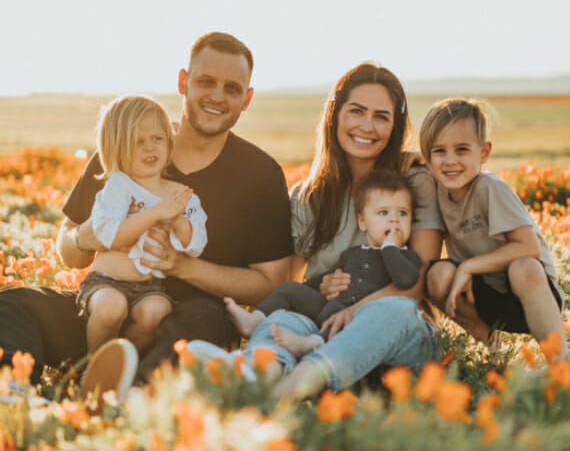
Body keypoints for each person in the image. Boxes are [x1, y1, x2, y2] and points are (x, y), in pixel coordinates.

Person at [0, 32, 293, 390]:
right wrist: (84, 236)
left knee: (205, 319)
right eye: (206, 82)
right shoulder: (128, 146)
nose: (217, 96)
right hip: (104, 311)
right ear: (183, 82)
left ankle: (131, 394)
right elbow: (68, 249)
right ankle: (12, 395)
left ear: (246, 99)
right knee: (14, 303)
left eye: (232, 88)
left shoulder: (260, 174)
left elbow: (272, 284)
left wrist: (185, 266)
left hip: (182, 325)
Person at [185, 62, 444, 400]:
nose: (367, 126)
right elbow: (286, 281)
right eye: (357, 111)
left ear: (395, 126)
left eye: (382, 116)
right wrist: (319, 285)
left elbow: (419, 281)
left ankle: (285, 393)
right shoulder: (309, 196)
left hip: (395, 337)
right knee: (283, 317)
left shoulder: (413, 182)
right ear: (335, 115)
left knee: (391, 310)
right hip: (325, 326)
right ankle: (255, 376)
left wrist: (357, 308)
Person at [419, 98, 567, 359]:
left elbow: (528, 247)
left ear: (484, 153)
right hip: (485, 296)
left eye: (462, 150)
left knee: (524, 267)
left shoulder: (490, 188)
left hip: (531, 294)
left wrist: (468, 266)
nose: (450, 161)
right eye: (439, 151)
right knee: (437, 274)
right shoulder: (438, 192)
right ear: (427, 158)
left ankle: (560, 365)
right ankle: (490, 347)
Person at [224, 170, 420, 358]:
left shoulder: (407, 258)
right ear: (362, 222)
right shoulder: (353, 253)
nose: (394, 220)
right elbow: (325, 278)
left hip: (360, 319)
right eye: (384, 213)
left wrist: (389, 248)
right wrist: (308, 289)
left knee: (339, 320)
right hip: (329, 306)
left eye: (403, 213)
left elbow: (405, 279)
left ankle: (312, 343)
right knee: (290, 289)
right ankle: (255, 320)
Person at [79, 94, 207, 354]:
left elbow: (196, 244)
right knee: (110, 309)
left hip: (150, 287)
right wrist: (155, 213)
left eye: (157, 139)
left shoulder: (181, 193)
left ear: (169, 143)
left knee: (156, 312)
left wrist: (180, 222)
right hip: (106, 281)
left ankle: (125, 363)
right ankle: (93, 366)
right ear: (116, 148)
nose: (150, 148)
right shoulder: (118, 186)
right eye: (138, 142)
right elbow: (109, 235)